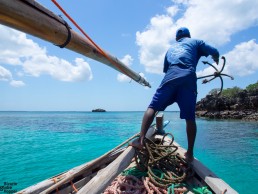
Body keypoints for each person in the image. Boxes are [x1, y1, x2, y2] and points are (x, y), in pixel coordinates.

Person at [131, 27, 219, 162]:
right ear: (189, 36)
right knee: (190, 118)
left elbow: (165, 69)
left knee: (153, 108)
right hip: (188, 79)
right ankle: (189, 154)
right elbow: (215, 51)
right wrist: (216, 58)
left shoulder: (170, 49)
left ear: (176, 39)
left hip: (170, 77)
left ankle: (141, 140)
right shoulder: (196, 42)